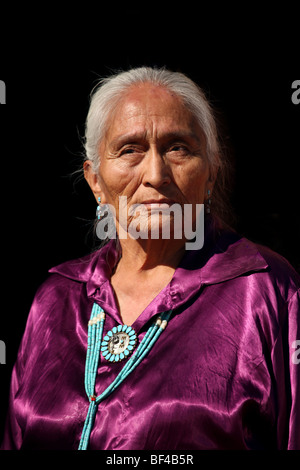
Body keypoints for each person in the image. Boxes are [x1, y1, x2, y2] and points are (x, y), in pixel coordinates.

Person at [1, 67, 299, 450]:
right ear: (95, 181)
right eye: (130, 150)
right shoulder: (56, 297)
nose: (156, 174)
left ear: (210, 172)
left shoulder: (264, 289)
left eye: (178, 148)